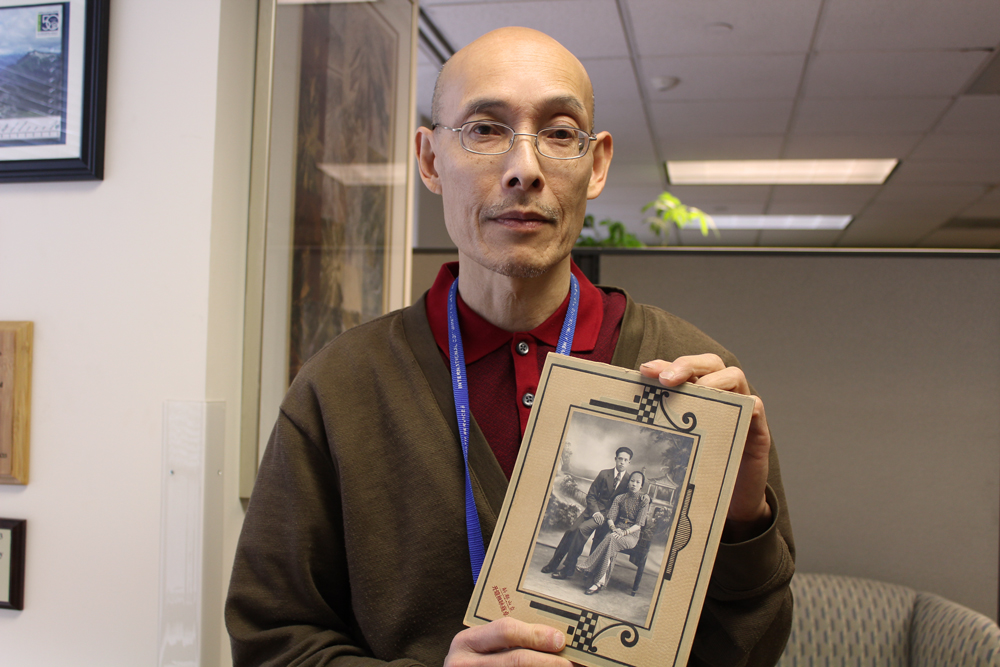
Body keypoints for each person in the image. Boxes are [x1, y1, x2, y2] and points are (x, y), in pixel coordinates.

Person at [226, 26, 795, 667]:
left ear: (597, 162)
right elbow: (269, 640)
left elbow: (754, 649)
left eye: (558, 133)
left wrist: (746, 523)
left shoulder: (695, 383)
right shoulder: (341, 388)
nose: (524, 169)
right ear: (430, 159)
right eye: (485, 129)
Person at [541, 447, 632, 580]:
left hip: (609, 517)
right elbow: (591, 495)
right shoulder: (604, 474)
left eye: (625, 460)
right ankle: (553, 564)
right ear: (615, 459)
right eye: (620, 459)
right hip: (592, 510)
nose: (622, 462)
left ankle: (569, 568)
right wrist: (595, 512)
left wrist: (611, 519)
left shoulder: (629, 482)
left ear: (629, 462)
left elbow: (623, 505)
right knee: (571, 531)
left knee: (582, 531)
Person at [577, 471, 651, 595]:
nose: (634, 484)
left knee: (611, 538)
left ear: (641, 486)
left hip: (631, 535)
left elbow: (639, 525)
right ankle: (599, 582)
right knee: (611, 540)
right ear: (628, 483)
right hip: (616, 530)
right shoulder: (620, 498)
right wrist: (613, 528)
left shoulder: (643, 500)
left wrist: (624, 532)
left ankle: (587, 565)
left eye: (638, 482)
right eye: (632, 481)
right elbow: (610, 517)